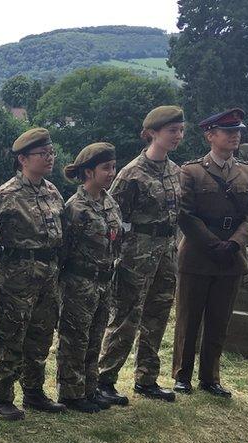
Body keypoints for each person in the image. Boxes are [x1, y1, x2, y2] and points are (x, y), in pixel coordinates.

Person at [97, 106, 186, 404]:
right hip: (136, 254)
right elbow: (114, 218)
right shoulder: (130, 174)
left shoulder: (176, 172)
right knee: (126, 316)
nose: (178, 136)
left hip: (166, 253)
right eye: (172, 130)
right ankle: (105, 379)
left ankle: (146, 377)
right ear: (152, 133)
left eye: (180, 130)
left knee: (158, 314)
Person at [173, 108, 248, 398]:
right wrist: (214, 245)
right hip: (198, 254)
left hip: (231, 257)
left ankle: (210, 377)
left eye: (237, 131)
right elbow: (185, 214)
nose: (235, 135)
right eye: (228, 131)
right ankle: (182, 375)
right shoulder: (192, 171)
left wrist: (234, 244)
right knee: (189, 318)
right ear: (210, 135)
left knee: (219, 320)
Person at [0, 128, 67, 420]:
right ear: (23, 159)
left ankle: (34, 392)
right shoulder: (5, 195)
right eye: (42, 154)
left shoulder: (52, 190)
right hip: (17, 277)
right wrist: (12, 262)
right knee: (10, 336)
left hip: (48, 274)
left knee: (41, 335)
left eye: (51, 153)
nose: (49, 158)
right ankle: (2, 397)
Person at [55, 143, 122, 413]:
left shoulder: (109, 201)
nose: (112, 173)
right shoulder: (76, 207)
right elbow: (65, 250)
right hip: (79, 282)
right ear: (88, 172)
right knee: (75, 338)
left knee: (95, 336)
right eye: (106, 168)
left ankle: (90, 388)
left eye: (113, 167)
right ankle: (71, 392)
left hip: (104, 281)